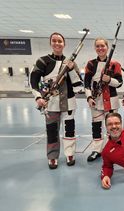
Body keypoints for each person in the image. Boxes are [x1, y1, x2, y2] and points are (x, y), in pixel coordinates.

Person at [30, 32, 82, 169]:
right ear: (50, 43)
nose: (57, 43)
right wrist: (38, 97)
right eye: (54, 41)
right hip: (51, 104)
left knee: (69, 130)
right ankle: (52, 156)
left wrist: (71, 70)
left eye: (60, 41)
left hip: (69, 103)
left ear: (64, 44)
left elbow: (79, 86)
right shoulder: (43, 61)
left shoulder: (71, 63)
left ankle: (70, 154)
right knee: (52, 131)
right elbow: (33, 80)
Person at [84, 37, 123, 162]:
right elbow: (86, 83)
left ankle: (114, 148)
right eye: (98, 46)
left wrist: (109, 80)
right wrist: (89, 97)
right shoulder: (90, 64)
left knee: (113, 126)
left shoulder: (115, 64)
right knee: (96, 126)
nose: (100, 48)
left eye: (103, 46)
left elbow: (119, 83)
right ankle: (97, 150)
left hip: (111, 100)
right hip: (96, 100)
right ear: (95, 48)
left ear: (107, 47)